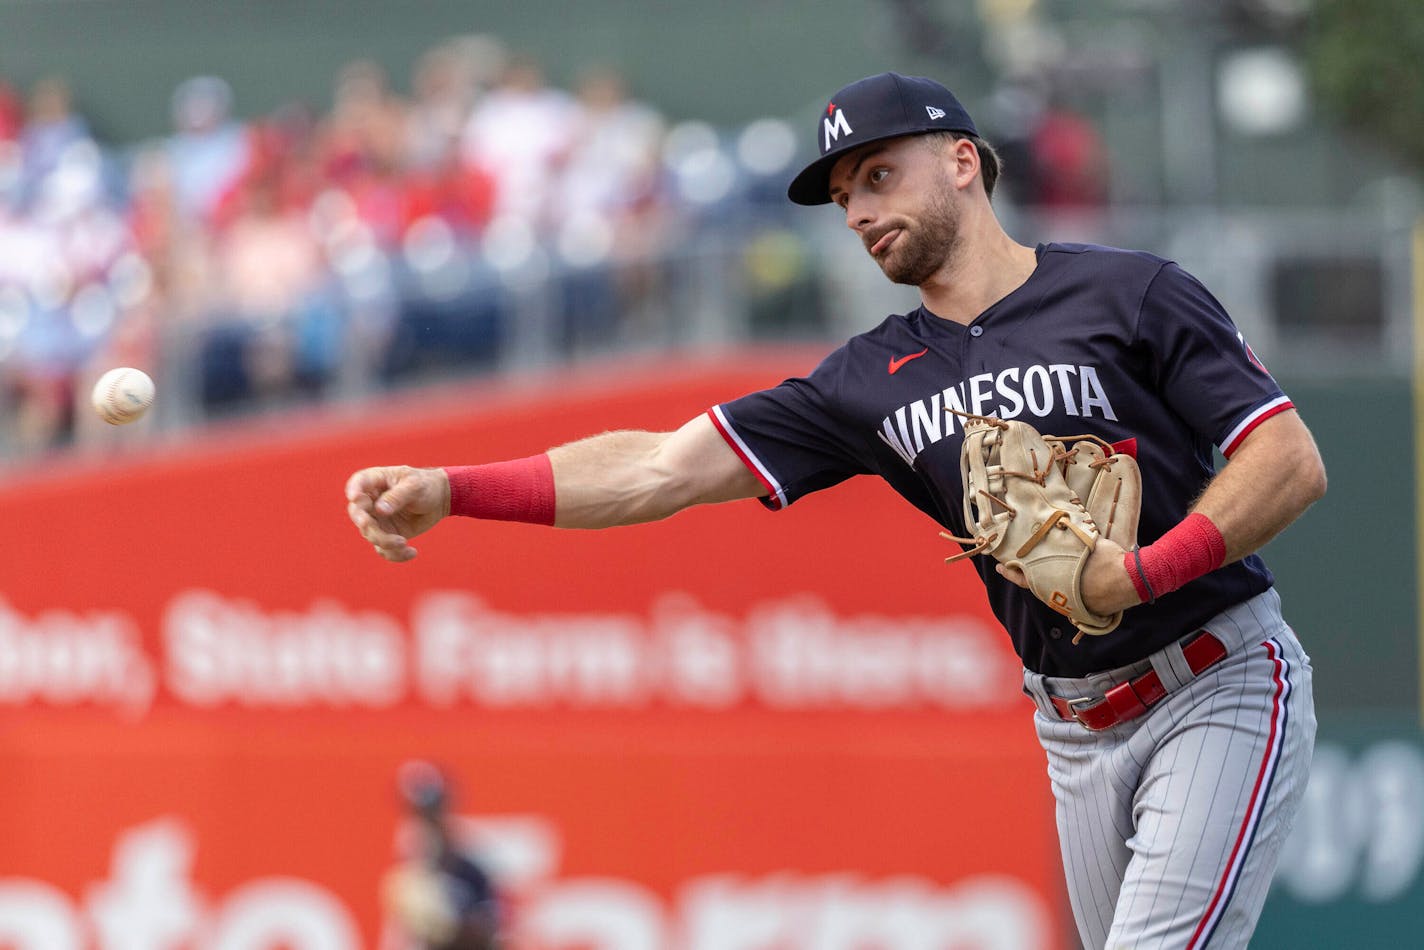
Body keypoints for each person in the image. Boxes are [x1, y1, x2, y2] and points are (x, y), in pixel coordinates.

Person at [347, 72, 1326, 948]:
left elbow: (1284, 457)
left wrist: (1145, 569)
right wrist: (455, 487)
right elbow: (658, 467)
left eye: (876, 175)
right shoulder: (868, 379)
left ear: (957, 161)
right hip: (1071, 729)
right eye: (843, 194)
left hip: (1213, 679)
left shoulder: (1130, 292)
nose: (856, 210)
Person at [380, 760, 500, 950]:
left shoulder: (471, 871)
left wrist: (453, 928)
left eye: (434, 814)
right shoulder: (404, 879)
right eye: (419, 816)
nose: (427, 825)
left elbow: (489, 932)